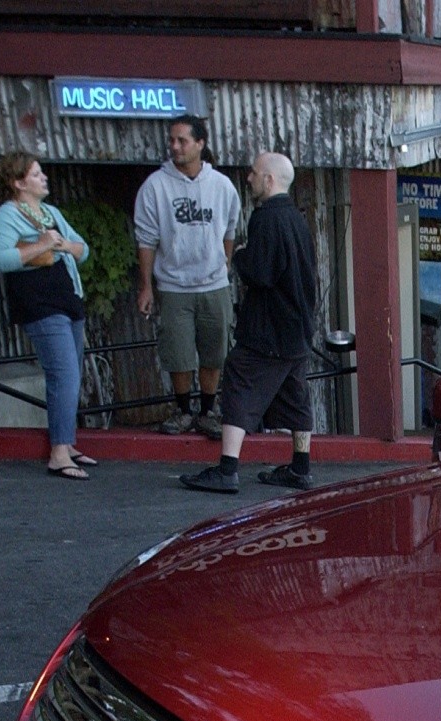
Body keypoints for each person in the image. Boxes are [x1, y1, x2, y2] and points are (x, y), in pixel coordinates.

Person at [181, 152, 319, 495]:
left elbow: (261, 272)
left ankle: (227, 469)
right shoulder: (296, 218)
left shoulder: (266, 218)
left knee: (239, 380)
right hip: (297, 326)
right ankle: (300, 467)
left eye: (254, 173)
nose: (249, 178)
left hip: (269, 329)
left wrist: (241, 254)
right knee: (296, 395)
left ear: (269, 180)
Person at [0, 151, 92, 481]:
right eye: (35, 174)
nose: (43, 178)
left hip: (68, 299)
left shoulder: (51, 212)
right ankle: (59, 453)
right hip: (39, 304)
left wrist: (64, 246)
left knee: (72, 373)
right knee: (64, 374)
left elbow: (83, 249)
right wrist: (41, 245)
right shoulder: (8, 215)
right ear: (18, 183)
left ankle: (67, 443)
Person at [134, 116, 240, 439]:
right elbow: (146, 239)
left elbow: (230, 230)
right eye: (172, 140)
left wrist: (224, 265)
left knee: (214, 352)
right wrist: (146, 286)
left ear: (200, 144)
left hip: (213, 284)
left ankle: (207, 411)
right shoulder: (155, 185)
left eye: (182, 140)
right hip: (174, 285)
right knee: (178, 353)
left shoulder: (221, 185)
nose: (175, 146)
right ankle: (182, 411)